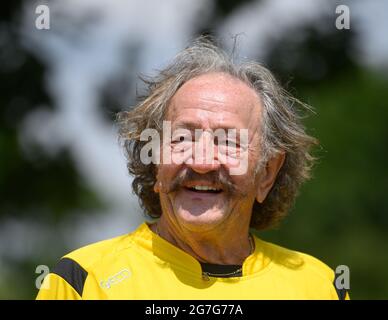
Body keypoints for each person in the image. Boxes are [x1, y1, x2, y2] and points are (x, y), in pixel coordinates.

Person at [36, 38, 349, 300]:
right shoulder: (81, 282)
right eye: (182, 138)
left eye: (227, 141)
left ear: (267, 172)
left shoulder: (320, 287)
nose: (201, 162)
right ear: (155, 160)